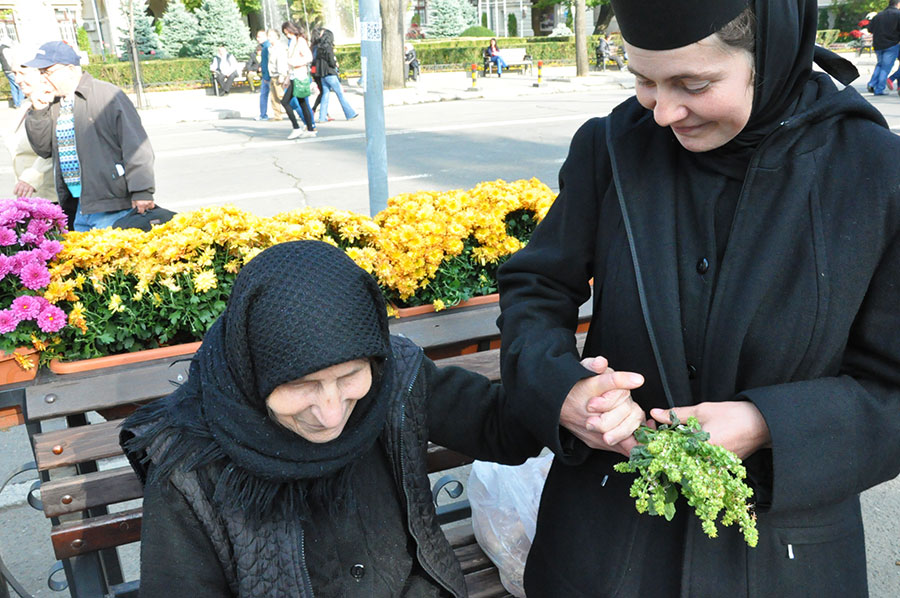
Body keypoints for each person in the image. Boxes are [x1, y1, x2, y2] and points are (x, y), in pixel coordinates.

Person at [496, 0, 900, 597]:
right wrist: (561, 388)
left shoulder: (875, 173)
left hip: (784, 559)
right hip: (602, 545)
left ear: (771, 55)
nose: (663, 113)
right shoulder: (612, 146)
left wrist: (767, 424)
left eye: (693, 85)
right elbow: (536, 287)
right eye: (642, 80)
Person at [119, 240, 636, 597]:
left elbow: (498, 426)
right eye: (301, 386)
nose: (330, 413)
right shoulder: (188, 463)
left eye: (349, 377)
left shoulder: (396, 377)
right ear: (253, 373)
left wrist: (566, 398)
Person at [24, 41, 155, 232]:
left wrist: (142, 190)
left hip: (111, 204)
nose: (42, 79)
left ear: (70, 69)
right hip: (78, 205)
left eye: (48, 72)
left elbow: (136, 145)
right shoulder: (53, 102)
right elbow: (44, 150)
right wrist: (39, 112)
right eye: (40, 73)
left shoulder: (107, 95)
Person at [4, 64, 57, 203]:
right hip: (30, 196)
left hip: (53, 198)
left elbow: (57, 146)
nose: (17, 79)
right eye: (15, 73)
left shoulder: (54, 103)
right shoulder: (27, 104)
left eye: (22, 73)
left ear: (41, 72)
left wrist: (31, 178)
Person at [311, 27, 357, 123]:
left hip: (322, 75)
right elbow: (331, 62)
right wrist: (335, 64)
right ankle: (350, 113)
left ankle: (322, 117)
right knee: (340, 94)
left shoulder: (319, 48)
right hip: (330, 74)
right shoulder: (328, 48)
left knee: (325, 95)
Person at [281, 21, 317, 139]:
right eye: (286, 33)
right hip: (294, 75)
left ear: (292, 30)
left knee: (285, 102)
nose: (287, 35)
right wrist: (287, 78)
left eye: (288, 32)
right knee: (302, 103)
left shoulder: (300, 41)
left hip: (299, 75)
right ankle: (310, 129)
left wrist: (295, 63)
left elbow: (309, 57)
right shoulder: (293, 41)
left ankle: (296, 128)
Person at [866, 0, 900, 95]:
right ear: (898, 4)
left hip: (878, 44)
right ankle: (879, 89)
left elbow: (870, 29)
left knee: (880, 65)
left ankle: (872, 83)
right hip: (892, 44)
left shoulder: (878, 15)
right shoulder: (898, 14)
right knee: (885, 68)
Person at [265, 29, 286, 121]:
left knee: (282, 96)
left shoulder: (279, 48)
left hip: (279, 75)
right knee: (273, 97)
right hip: (272, 75)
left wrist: (282, 75)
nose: (268, 38)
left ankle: (300, 111)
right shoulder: (270, 48)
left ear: (276, 37)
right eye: (268, 36)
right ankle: (277, 115)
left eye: (271, 36)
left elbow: (281, 62)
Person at [252, 30, 271, 120]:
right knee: (264, 95)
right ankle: (263, 114)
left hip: (268, 75)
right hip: (266, 75)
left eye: (259, 36)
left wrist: (266, 76)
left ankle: (263, 115)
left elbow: (268, 63)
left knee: (279, 95)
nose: (257, 38)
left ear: (265, 37)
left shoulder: (266, 47)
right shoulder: (264, 47)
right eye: (257, 36)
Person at [0, 38, 22, 108]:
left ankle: (16, 103)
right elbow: (10, 60)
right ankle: (20, 103)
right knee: (21, 86)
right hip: (11, 70)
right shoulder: (6, 49)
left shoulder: (1, 49)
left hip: (5, 70)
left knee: (13, 87)